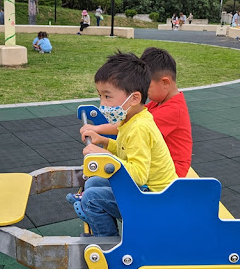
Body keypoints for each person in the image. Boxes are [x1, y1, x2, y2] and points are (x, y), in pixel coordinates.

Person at [68, 52, 177, 237]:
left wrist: (104, 157)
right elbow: (124, 151)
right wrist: (103, 142)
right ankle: (96, 216)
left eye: (107, 96)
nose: (102, 104)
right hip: (145, 192)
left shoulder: (139, 128)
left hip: (155, 200)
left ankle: (109, 243)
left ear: (134, 98)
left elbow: (139, 175)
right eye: (100, 95)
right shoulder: (130, 119)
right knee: (93, 181)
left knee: (92, 198)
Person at [77, 48, 192, 178]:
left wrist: (96, 128)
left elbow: (130, 129)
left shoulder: (172, 110)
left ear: (165, 82)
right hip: (152, 162)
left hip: (168, 174)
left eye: (146, 86)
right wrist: (104, 140)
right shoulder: (157, 102)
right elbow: (128, 124)